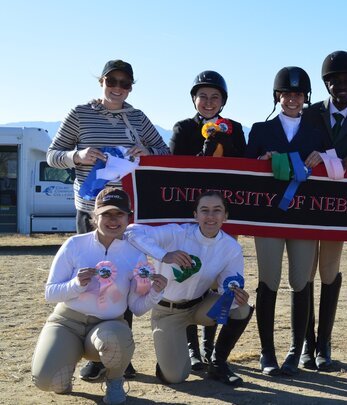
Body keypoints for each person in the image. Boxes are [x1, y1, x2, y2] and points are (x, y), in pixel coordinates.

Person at [46, 59, 170, 381]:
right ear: (101, 81)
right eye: (111, 81)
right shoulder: (79, 113)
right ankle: (93, 352)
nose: (117, 88)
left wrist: (148, 151)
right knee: (91, 280)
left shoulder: (138, 118)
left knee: (125, 282)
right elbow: (52, 154)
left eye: (125, 83)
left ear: (131, 87)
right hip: (90, 209)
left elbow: (164, 151)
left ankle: (120, 354)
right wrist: (78, 156)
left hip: (127, 213)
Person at [31, 188, 168, 405]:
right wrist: (76, 284)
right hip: (67, 322)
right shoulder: (74, 244)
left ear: (128, 217)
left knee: (115, 340)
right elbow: (50, 293)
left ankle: (114, 380)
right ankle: (65, 368)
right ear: (94, 217)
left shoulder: (136, 254)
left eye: (119, 214)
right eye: (106, 214)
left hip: (109, 325)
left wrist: (155, 293)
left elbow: (137, 307)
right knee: (46, 382)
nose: (113, 220)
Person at [245, 66, 329, 376]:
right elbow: (244, 172)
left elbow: (335, 165)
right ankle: (267, 352)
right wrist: (259, 162)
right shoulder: (260, 130)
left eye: (298, 94)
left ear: (305, 97)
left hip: (304, 218)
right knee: (269, 280)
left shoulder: (318, 132)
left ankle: (296, 349)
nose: (293, 99)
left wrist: (324, 157)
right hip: (269, 215)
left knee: (300, 280)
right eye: (287, 94)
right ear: (278, 96)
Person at [126, 191, 253, 386]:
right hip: (166, 312)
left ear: (225, 216)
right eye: (204, 210)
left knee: (242, 309)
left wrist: (237, 297)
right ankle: (171, 357)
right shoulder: (176, 233)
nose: (210, 216)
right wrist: (164, 255)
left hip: (199, 307)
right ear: (195, 215)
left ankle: (218, 364)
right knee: (176, 377)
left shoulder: (231, 247)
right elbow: (131, 231)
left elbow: (227, 289)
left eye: (217, 211)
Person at [169, 70, 246, 372]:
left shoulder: (236, 129)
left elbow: (243, 164)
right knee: (188, 276)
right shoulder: (183, 128)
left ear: (223, 101)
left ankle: (209, 344)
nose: (209, 102)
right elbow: (174, 166)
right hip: (190, 218)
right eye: (203, 96)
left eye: (215, 97)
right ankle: (191, 348)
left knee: (218, 279)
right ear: (194, 99)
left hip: (221, 218)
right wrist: (203, 150)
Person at [300, 50, 347, 371]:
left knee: (328, 271)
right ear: (326, 84)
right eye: (335, 81)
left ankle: (324, 342)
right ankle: (305, 340)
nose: (341, 86)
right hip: (304, 204)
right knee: (303, 272)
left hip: (336, 207)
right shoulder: (308, 114)